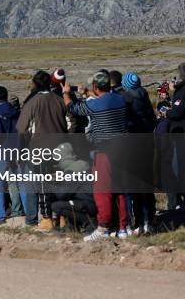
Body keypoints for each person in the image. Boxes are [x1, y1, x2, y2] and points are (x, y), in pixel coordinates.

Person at [63, 70, 129, 241]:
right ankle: (123, 226)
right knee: (119, 190)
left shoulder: (96, 105)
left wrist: (66, 92)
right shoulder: (120, 99)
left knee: (102, 190)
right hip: (123, 150)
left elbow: (73, 107)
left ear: (95, 86)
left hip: (105, 151)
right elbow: (104, 98)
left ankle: (103, 227)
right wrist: (87, 93)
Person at [17, 70, 68, 229]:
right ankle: (62, 217)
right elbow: (71, 123)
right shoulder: (59, 100)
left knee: (43, 185)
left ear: (35, 84)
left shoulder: (32, 102)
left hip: (39, 148)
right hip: (61, 147)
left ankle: (47, 219)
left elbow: (21, 128)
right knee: (59, 183)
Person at [121, 71, 157, 235]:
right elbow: (153, 121)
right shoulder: (144, 97)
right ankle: (149, 220)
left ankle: (138, 222)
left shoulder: (126, 100)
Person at [0, 86, 20, 225]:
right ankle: (18, 211)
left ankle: (0, 216)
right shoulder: (16, 111)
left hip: (2, 150)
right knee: (15, 181)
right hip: (16, 148)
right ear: (6, 96)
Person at [51, 143, 97, 232]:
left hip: (88, 204)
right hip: (91, 202)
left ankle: (89, 223)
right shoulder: (82, 165)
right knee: (69, 200)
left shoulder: (71, 171)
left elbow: (62, 195)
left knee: (57, 206)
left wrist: (54, 184)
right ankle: (72, 227)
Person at [166, 62, 185, 208]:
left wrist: (166, 112)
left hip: (183, 134)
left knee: (179, 169)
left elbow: (177, 112)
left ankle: (182, 204)